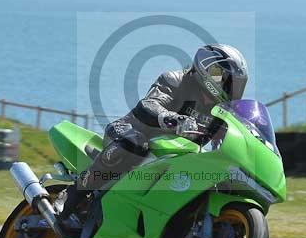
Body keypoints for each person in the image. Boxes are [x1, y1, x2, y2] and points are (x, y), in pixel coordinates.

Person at [59, 43, 249, 221]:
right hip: (129, 131)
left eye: (235, 84)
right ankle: (73, 195)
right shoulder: (176, 80)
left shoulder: (221, 113)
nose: (230, 88)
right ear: (210, 71)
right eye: (227, 81)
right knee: (134, 143)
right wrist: (169, 117)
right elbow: (150, 104)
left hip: (171, 154)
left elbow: (231, 136)